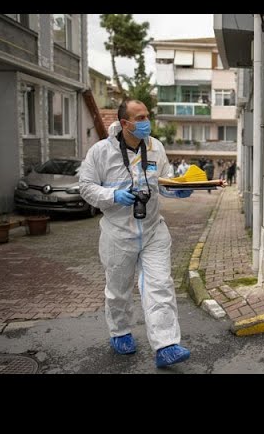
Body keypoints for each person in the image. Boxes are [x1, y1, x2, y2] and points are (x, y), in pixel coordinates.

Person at [79, 99, 194, 368]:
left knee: (160, 286)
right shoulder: (101, 152)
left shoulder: (155, 147)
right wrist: (113, 195)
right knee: (119, 290)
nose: (146, 121)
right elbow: (85, 187)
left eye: (147, 116)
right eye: (140, 117)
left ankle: (166, 345)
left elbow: (163, 182)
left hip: (153, 229)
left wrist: (178, 189)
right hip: (118, 234)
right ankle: (120, 332)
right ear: (125, 123)